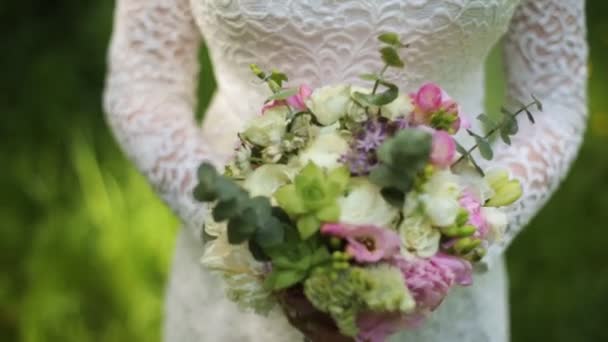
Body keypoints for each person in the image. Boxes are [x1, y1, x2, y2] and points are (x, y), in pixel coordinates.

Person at [103, 1, 588, 341]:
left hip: (439, 271)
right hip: (239, 267)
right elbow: (145, 86)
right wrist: (252, 237)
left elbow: (553, 100)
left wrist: (457, 243)